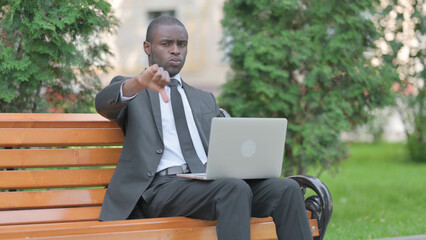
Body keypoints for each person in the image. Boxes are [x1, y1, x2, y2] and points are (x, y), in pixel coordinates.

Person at [95, 16, 312, 240]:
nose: (175, 50)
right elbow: (103, 103)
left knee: (287, 189)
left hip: (208, 184)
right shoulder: (134, 89)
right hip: (160, 189)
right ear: (147, 48)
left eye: (182, 44)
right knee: (233, 189)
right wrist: (139, 82)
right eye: (166, 43)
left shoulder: (203, 98)